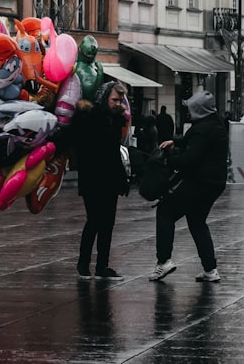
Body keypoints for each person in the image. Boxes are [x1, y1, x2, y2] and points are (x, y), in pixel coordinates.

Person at [149, 91, 229, 282]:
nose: (189, 112)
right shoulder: (214, 124)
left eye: (192, 108)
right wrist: (175, 141)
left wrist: (168, 160)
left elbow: (189, 159)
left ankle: (164, 262)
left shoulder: (202, 129)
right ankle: (210, 270)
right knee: (197, 222)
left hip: (200, 181)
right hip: (215, 183)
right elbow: (193, 142)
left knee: (165, 212)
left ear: (199, 110)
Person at [54, 80, 130, 280]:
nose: (117, 103)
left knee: (108, 223)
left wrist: (122, 179)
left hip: (110, 178)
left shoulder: (117, 119)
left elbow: (114, 152)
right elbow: (69, 138)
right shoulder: (87, 117)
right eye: (114, 99)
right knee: (94, 221)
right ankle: (83, 264)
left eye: (120, 100)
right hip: (92, 177)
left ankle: (102, 266)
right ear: (105, 98)